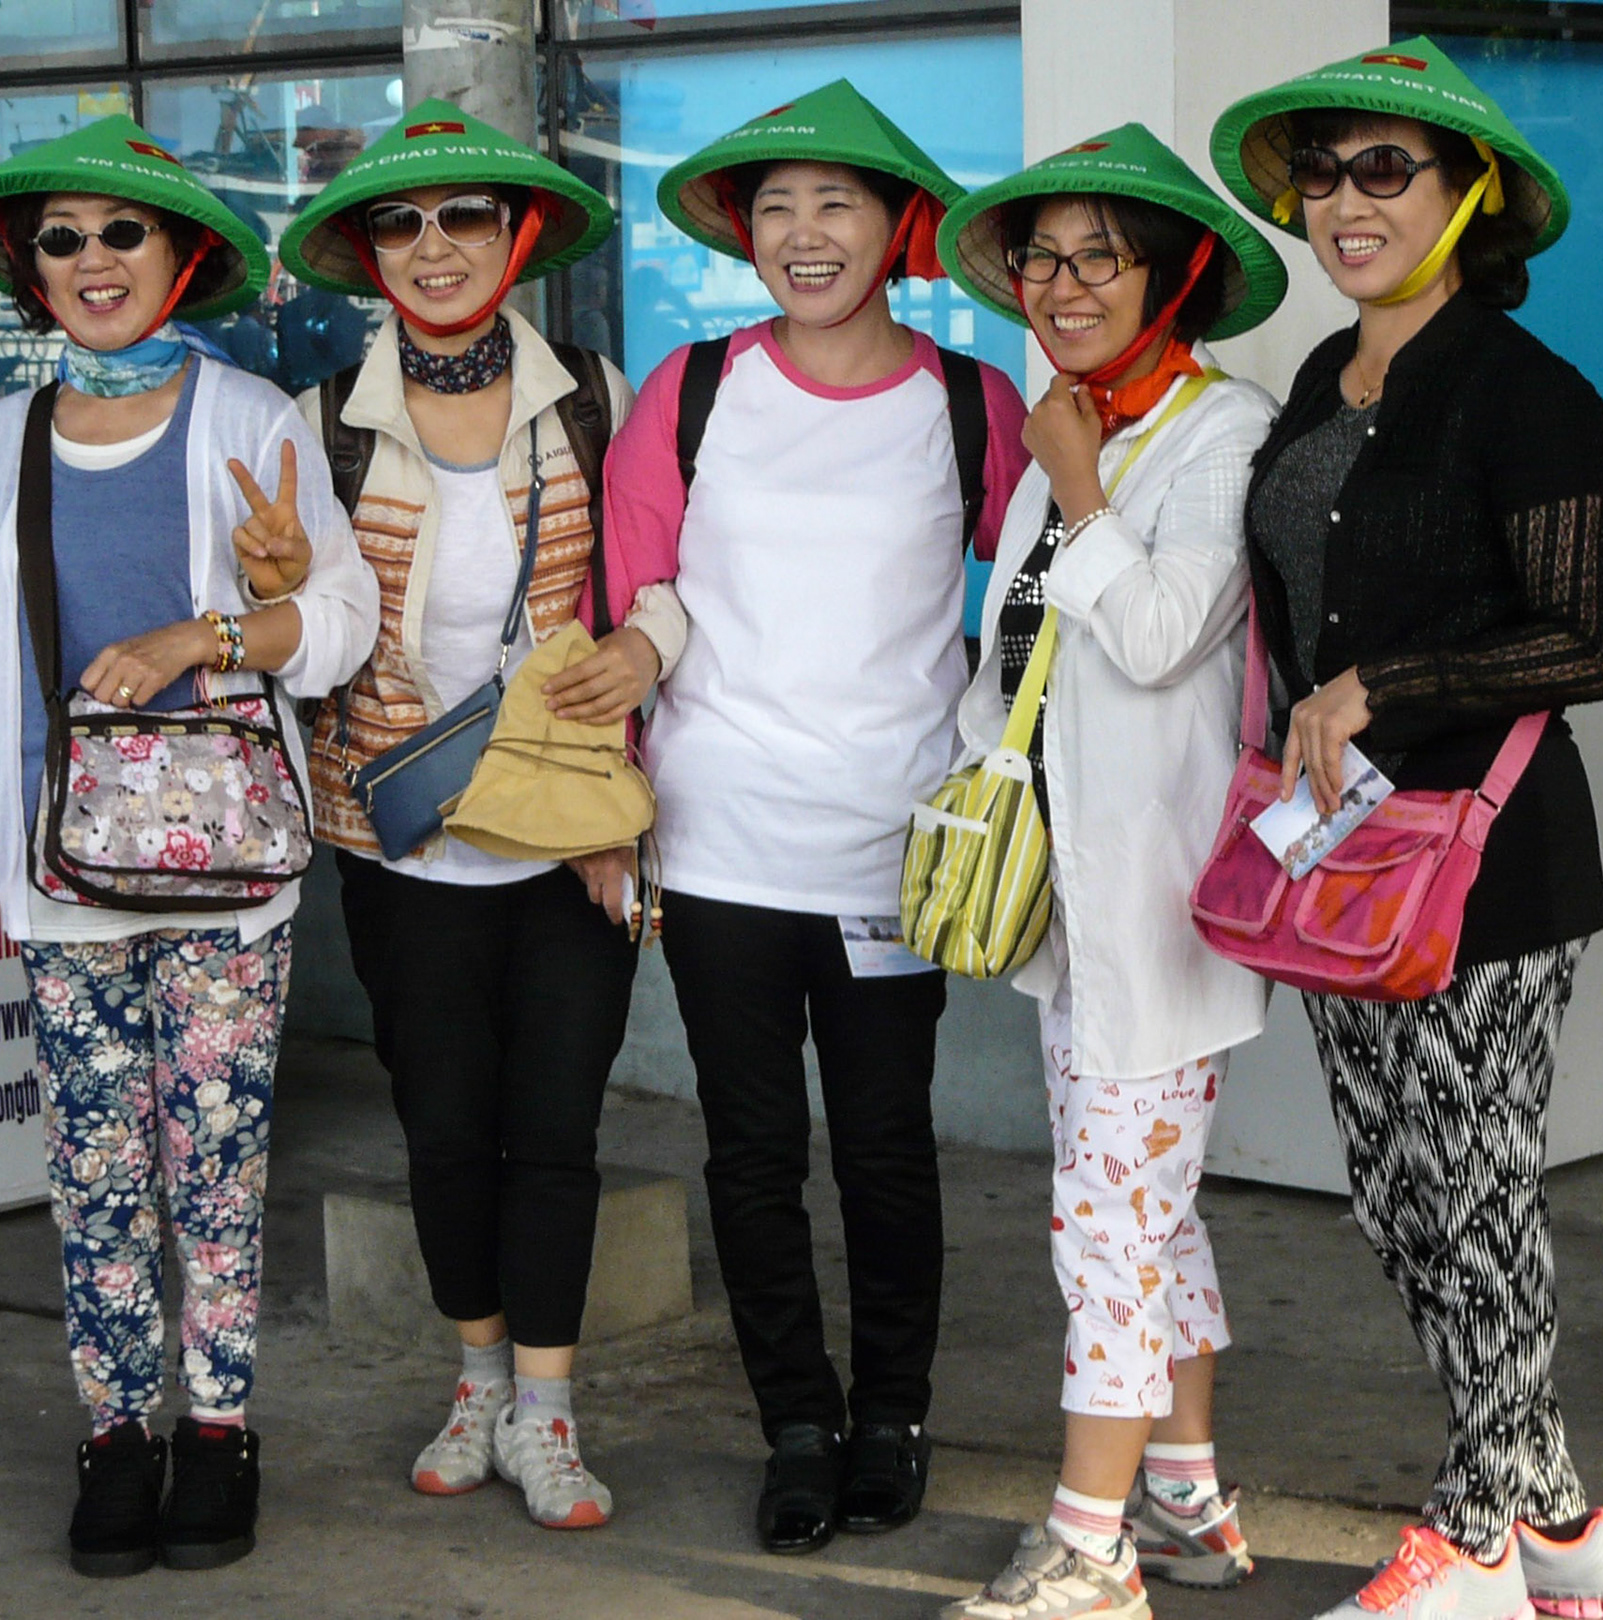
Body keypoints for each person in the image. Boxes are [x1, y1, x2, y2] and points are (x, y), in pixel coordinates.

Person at [0, 116, 377, 1576]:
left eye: (125, 234)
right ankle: (118, 1434)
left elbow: (339, 621)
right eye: (64, 240)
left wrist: (214, 629)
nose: (95, 260)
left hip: (228, 863)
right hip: (58, 861)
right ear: (32, 273)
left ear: (181, 258)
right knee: (97, 1168)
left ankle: (219, 1430)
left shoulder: (251, 420)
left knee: (216, 1162)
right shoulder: (4, 436)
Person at [1210, 39, 1603, 1620]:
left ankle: (1471, 1534)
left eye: (1386, 169)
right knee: (1401, 1203)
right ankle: (1562, 1526)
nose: (1344, 201)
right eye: (1322, 175)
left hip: (1488, 865)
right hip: (1348, 859)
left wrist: (1384, 681)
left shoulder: (1531, 397)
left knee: (1477, 1193)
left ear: (1470, 199)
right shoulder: (1328, 379)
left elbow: (1581, 642)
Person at [600, 79, 1030, 1554]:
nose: (802, 232)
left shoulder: (972, 406)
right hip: (719, 843)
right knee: (751, 1151)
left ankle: (893, 1418)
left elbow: (1050, 595)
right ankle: (796, 1419)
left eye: (835, 201)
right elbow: (631, 609)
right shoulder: (695, 390)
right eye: (774, 205)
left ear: (898, 226)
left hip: (890, 854)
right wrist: (609, 811)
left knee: (888, 1148)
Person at [279, 100, 677, 1530]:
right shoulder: (319, 425)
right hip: (398, 838)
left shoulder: (593, 397)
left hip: (573, 838)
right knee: (444, 1129)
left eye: (463, 217)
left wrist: (644, 695)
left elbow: (647, 596)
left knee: (554, 1130)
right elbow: (315, 636)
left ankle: (550, 1418)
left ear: (516, 237)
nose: (434, 245)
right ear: (370, 252)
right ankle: (476, 1382)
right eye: (401, 220)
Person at [929, 124, 1287, 1620]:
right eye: (1043, 257)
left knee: (1106, 1223)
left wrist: (1074, 486)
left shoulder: (1224, 429)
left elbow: (1155, 634)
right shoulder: (1073, 418)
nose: (1063, 284)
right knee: (1150, 1211)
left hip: (1156, 895)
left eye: (1101, 256)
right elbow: (1022, 648)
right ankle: (1190, 1506)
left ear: (1174, 274)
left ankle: (1090, 1547)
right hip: (1070, 894)